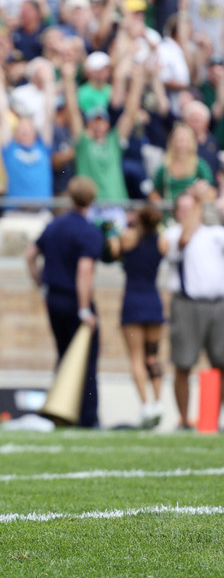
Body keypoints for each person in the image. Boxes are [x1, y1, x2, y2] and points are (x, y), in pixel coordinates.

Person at [25, 176, 103, 428]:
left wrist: (40, 282)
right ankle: (87, 417)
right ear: (91, 199)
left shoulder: (55, 225)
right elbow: (84, 272)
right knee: (86, 359)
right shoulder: (89, 231)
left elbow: (30, 255)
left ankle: (62, 412)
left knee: (64, 354)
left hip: (53, 298)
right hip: (74, 300)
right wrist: (84, 309)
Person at [159, 186, 224, 431]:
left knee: (221, 362)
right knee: (183, 362)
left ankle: (212, 419)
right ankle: (184, 419)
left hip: (218, 304)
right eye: (184, 207)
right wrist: (197, 201)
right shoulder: (173, 233)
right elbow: (184, 240)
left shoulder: (215, 233)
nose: (190, 211)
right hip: (187, 304)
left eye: (192, 206)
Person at [108, 204, 165, 429]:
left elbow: (113, 251)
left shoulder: (128, 237)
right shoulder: (162, 241)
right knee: (153, 356)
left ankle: (145, 405)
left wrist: (112, 231)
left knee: (136, 357)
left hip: (132, 301)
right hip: (153, 300)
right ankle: (159, 402)